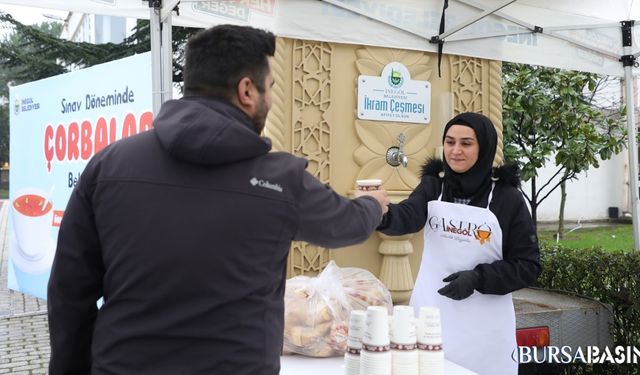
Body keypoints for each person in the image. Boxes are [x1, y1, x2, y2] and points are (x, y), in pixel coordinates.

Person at [47, 24, 389, 375]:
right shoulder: (281, 180)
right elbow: (346, 224)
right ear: (246, 91)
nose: (270, 99)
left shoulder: (109, 165)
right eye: (269, 88)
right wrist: (374, 204)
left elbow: (70, 292)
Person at [374, 112, 541, 375]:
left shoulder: (506, 199)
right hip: (431, 319)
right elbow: (408, 216)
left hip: (484, 333)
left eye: (466, 143)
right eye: (449, 142)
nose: (455, 151)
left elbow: (528, 265)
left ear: (484, 147)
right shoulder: (434, 186)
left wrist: (478, 278)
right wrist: (378, 213)